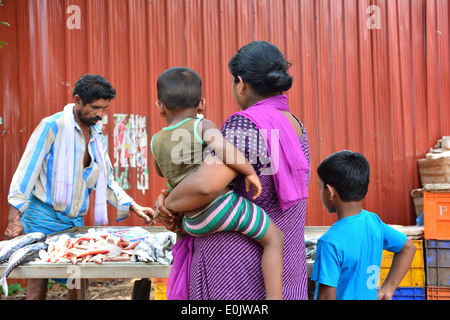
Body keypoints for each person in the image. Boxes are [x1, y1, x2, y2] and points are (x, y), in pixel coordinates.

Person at [155, 41, 311, 299]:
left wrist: (168, 203)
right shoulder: (294, 125)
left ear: (241, 83)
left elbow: (204, 186)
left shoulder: (246, 124)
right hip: (285, 271)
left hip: (236, 276)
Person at [5, 74, 154, 300]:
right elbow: (27, 171)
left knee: (78, 280)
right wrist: (14, 218)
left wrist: (134, 206)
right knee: (38, 283)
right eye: (95, 108)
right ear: (77, 100)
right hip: (41, 218)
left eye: (104, 109)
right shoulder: (52, 126)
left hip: (74, 221)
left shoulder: (96, 134)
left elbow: (104, 180)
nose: (100, 114)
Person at [312, 150, 416, 300]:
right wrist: (387, 289)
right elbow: (408, 248)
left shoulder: (329, 242)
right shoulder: (374, 222)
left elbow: (325, 297)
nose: (320, 191)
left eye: (320, 186)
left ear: (330, 191)